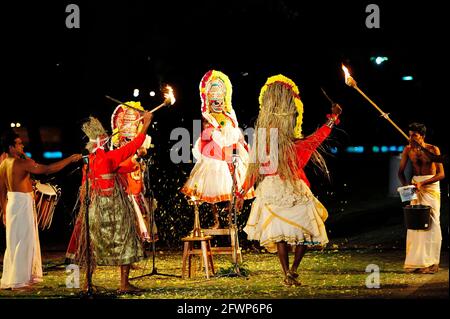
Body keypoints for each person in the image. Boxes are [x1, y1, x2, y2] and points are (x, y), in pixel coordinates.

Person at [236, 74, 342, 286]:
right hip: (278, 189)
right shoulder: (267, 142)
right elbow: (253, 169)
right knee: (285, 234)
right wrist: (241, 193)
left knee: (301, 231)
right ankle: (288, 271)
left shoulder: (293, 144)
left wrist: (332, 119)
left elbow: (316, 138)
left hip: (290, 189)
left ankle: (291, 270)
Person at [74, 111, 153, 293]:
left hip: (94, 208)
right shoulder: (109, 157)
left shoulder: (89, 161)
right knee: (125, 240)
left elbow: (120, 167)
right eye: (104, 137)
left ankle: (87, 283)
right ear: (101, 141)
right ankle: (124, 284)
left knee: (90, 244)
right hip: (113, 207)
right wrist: (146, 124)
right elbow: (133, 145)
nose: (107, 138)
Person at [0, 130, 81, 290]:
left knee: (15, 241)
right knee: (24, 241)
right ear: (11, 147)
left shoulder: (3, 164)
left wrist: (3, 211)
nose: (22, 145)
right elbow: (47, 169)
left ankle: (17, 277)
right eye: (18, 143)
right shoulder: (21, 163)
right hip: (22, 203)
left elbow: (1, 191)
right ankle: (19, 282)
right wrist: (70, 159)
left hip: (12, 204)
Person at [181, 70, 254, 228]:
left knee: (232, 187)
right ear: (210, 101)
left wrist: (238, 140)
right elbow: (208, 134)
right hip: (214, 156)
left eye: (220, 100)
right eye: (215, 101)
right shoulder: (207, 116)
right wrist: (217, 134)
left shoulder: (230, 114)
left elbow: (236, 131)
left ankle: (229, 217)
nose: (218, 104)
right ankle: (216, 220)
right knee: (212, 188)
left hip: (231, 153)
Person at [398, 122, 445, 274]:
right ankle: (416, 262)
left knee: (432, 223)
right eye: (409, 135)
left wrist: (423, 183)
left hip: (430, 187)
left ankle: (432, 263)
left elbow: (441, 174)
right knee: (415, 224)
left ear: (422, 136)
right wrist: (407, 187)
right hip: (415, 187)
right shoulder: (408, 150)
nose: (411, 138)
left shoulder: (432, 149)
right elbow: (400, 172)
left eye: (414, 136)